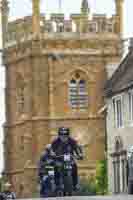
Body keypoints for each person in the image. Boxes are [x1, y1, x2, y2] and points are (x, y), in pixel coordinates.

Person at [51, 127, 83, 191]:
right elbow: (52, 150)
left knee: (74, 166)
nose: (63, 137)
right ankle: (56, 184)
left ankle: (75, 184)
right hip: (59, 159)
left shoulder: (72, 141)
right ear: (59, 135)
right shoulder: (55, 142)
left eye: (65, 135)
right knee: (55, 167)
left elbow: (77, 149)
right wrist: (52, 155)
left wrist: (79, 155)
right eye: (61, 135)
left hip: (70, 159)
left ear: (68, 135)